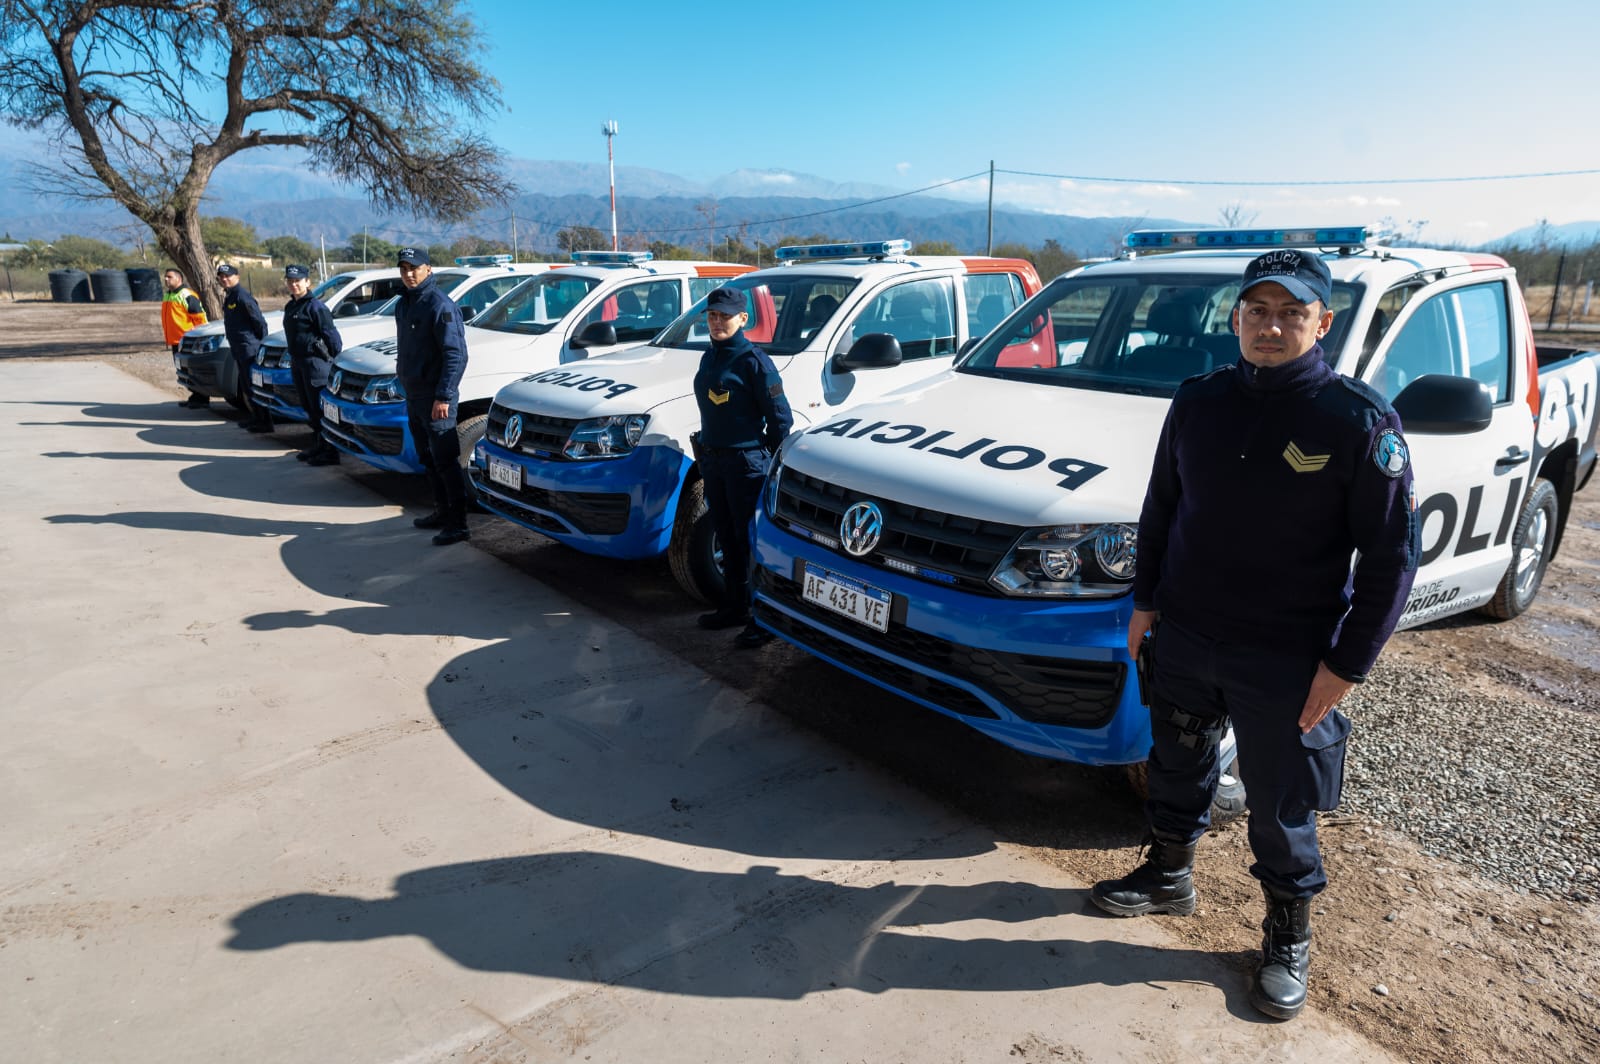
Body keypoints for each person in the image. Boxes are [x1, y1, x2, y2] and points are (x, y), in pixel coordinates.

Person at [1090, 249, 1420, 1021]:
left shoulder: (1357, 421)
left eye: (1291, 313)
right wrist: (1145, 602)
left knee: (1280, 802)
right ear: (1236, 317)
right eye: (1258, 311)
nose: (1271, 326)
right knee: (1176, 761)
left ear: (1322, 323)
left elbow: (1392, 558)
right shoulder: (1199, 400)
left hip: (1286, 655)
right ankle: (1169, 874)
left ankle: (1286, 936)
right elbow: (1162, 506)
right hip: (1187, 633)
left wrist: (1347, 665)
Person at [691, 286, 792, 649]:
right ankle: (735, 607)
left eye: (725, 316)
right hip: (715, 461)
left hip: (746, 464)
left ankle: (763, 620)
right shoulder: (710, 357)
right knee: (728, 537)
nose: (717, 322)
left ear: (743, 319)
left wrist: (768, 459)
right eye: (712, 316)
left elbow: (780, 419)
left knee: (753, 542)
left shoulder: (755, 363)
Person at [394, 247, 472, 546]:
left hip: (435, 398)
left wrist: (444, 396)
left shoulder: (440, 305)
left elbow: (456, 356)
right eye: (403, 269)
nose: (409, 274)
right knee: (427, 458)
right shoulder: (404, 303)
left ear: (428, 269)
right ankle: (441, 512)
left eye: (414, 268)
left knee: (446, 461)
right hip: (414, 396)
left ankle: (458, 524)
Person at [280, 264, 343, 466]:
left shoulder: (315, 307)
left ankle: (331, 452)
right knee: (308, 407)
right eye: (290, 281)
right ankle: (319, 445)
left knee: (320, 409)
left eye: (298, 281)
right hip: (298, 363)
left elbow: (333, 339)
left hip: (315, 364)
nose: (294, 284)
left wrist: (328, 358)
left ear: (307, 282)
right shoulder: (291, 306)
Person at [217, 264, 272, 433]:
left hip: (249, 348)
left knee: (254, 385)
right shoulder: (231, 296)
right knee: (247, 385)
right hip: (238, 347)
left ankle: (265, 421)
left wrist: (258, 343)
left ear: (237, 277)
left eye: (228, 276)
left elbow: (259, 323)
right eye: (221, 276)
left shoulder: (242, 296)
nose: (224, 279)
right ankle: (256, 417)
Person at [162, 268, 210, 409]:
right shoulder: (168, 295)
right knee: (183, 371)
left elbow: (200, 318)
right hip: (176, 341)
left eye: (169, 277)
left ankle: (202, 398)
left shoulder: (187, 295)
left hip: (188, 342)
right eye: (165, 277)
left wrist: (200, 338)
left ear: (179, 279)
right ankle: (195, 396)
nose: (166, 279)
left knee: (192, 370)